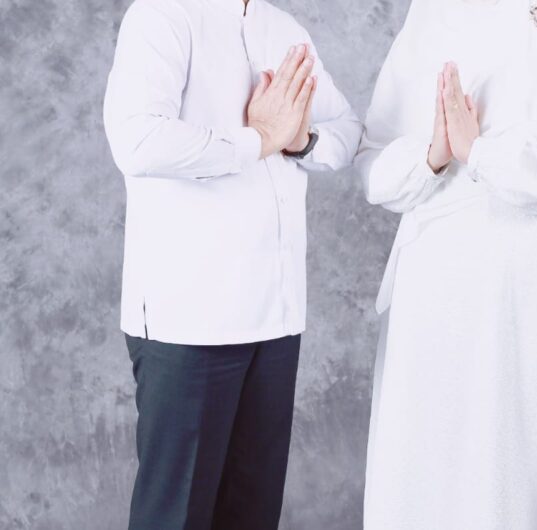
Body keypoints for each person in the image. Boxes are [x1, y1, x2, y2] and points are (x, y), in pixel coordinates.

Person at [356, 0, 537, 528]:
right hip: (433, 286)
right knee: (433, 449)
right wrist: (433, 155)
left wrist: (481, 154)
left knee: (525, 442)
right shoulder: (425, 22)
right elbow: (373, 166)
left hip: (529, 280)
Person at [103, 0, 361, 527]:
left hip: (276, 317)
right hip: (189, 322)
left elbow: (348, 131)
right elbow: (138, 140)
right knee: (176, 517)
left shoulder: (284, 29)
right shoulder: (162, 15)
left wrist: (300, 140)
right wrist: (258, 141)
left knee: (252, 514)